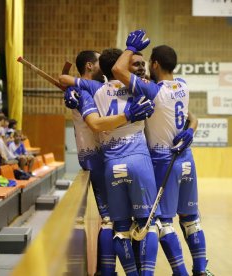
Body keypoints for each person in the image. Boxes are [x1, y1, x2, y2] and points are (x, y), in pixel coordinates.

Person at [112, 29, 214, 276]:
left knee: (162, 222)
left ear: (155, 64)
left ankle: (180, 273)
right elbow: (191, 117)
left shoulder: (153, 91)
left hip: (163, 160)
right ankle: (201, 270)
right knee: (191, 218)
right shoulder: (184, 85)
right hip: (187, 158)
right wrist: (191, 129)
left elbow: (117, 71)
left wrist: (128, 49)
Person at [59, 48, 159, 276]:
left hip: (107, 160)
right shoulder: (138, 87)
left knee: (115, 225)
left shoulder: (93, 91)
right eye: (136, 65)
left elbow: (66, 80)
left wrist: (71, 87)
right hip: (134, 158)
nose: (141, 69)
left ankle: (114, 271)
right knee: (147, 225)